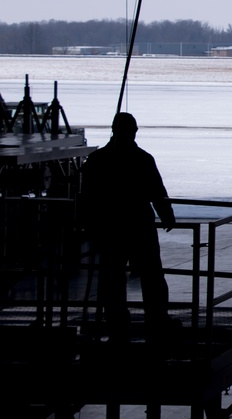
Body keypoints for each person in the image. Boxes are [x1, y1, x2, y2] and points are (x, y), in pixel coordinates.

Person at [81, 112, 177, 337]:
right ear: (133, 131)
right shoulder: (142, 159)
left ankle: (116, 321)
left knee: (112, 276)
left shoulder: (98, 160)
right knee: (151, 275)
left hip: (110, 227)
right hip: (139, 226)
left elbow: (87, 195)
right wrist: (167, 215)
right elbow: (157, 191)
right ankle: (157, 319)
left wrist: (88, 223)